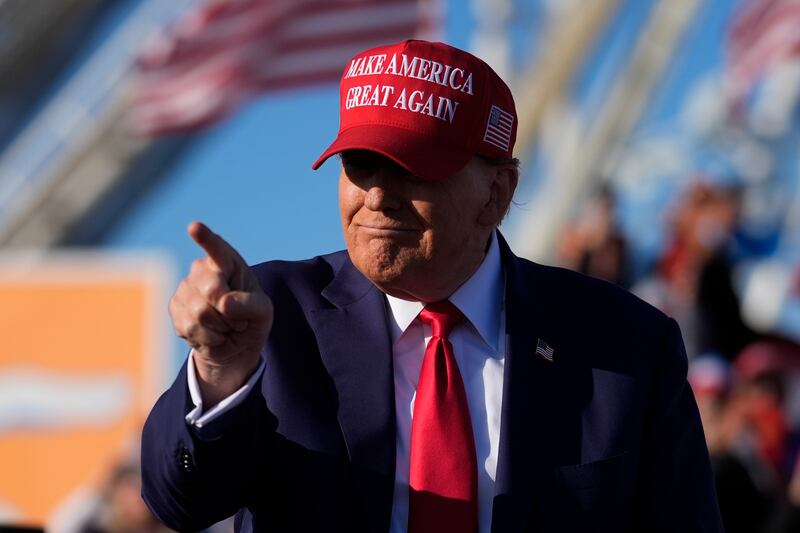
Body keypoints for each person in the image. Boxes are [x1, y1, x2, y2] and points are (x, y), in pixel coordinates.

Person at [141, 40, 723, 532]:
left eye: (410, 168)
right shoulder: (270, 318)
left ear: (496, 193)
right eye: (359, 165)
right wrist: (219, 374)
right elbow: (180, 503)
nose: (376, 195)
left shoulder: (626, 346)